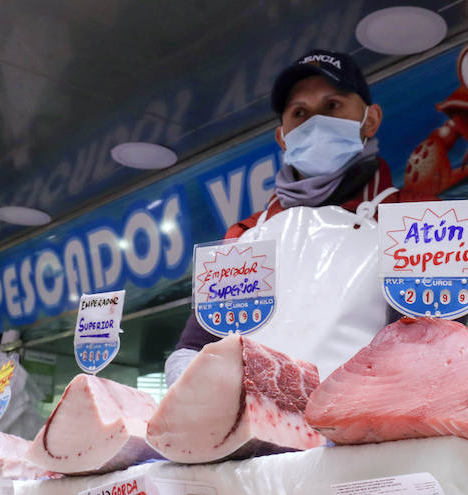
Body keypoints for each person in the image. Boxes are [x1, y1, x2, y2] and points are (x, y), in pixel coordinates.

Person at [168, 49, 401, 383]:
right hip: (253, 432)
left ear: (371, 119)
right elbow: (195, 347)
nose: (315, 122)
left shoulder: (419, 220)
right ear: (283, 138)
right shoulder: (242, 235)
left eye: (332, 105)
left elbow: (432, 347)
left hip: (363, 429)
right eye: (300, 113)